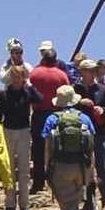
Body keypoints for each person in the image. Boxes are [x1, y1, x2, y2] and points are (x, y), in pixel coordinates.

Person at [43, 85, 97, 210]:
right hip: (81, 168)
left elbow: (48, 147)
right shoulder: (85, 118)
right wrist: (92, 173)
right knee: (70, 208)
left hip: (60, 167)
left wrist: (47, 170)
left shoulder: (52, 119)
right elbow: (91, 148)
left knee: (68, 209)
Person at [0, 65, 40, 210]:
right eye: (13, 76)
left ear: (23, 78)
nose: (16, 79)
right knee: (9, 169)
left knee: (24, 170)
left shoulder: (27, 93)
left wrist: (29, 85)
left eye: (19, 76)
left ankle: (24, 205)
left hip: (24, 131)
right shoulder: (4, 95)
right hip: (8, 131)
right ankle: (9, 204)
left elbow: (39, 98)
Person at [28, 41, 71, 193]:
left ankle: (38, 182)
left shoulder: (34, 73)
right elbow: (68, 94)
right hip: (56, 114)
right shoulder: (62, 75)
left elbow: (29, 91)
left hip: (39, 114)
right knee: (56, 149)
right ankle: (55, 181)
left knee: (38, 149)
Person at [74, 59, 105, 210]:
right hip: (81, 132)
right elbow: (65, 105)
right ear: (82, 72)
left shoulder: (102, 90)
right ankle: (88, 203)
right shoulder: (75, 89)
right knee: (85, 168)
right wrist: (79, 101)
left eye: (93, 71)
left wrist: (102, 110)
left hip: (99, 132)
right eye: (89, 70)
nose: (92, 73)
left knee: (101, 167)